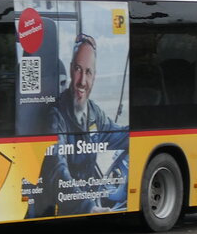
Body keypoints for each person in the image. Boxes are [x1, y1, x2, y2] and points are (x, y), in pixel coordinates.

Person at [33, 33, 128, 216]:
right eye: (78, 69)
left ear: (94, 77)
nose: (82, 81)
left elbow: (120, 135)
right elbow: (56, 168)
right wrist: (87, 207)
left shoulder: (94, 113)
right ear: (71, 70)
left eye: (88, 72)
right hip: (60, 209)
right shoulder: (56, 115)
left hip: (88, 199)